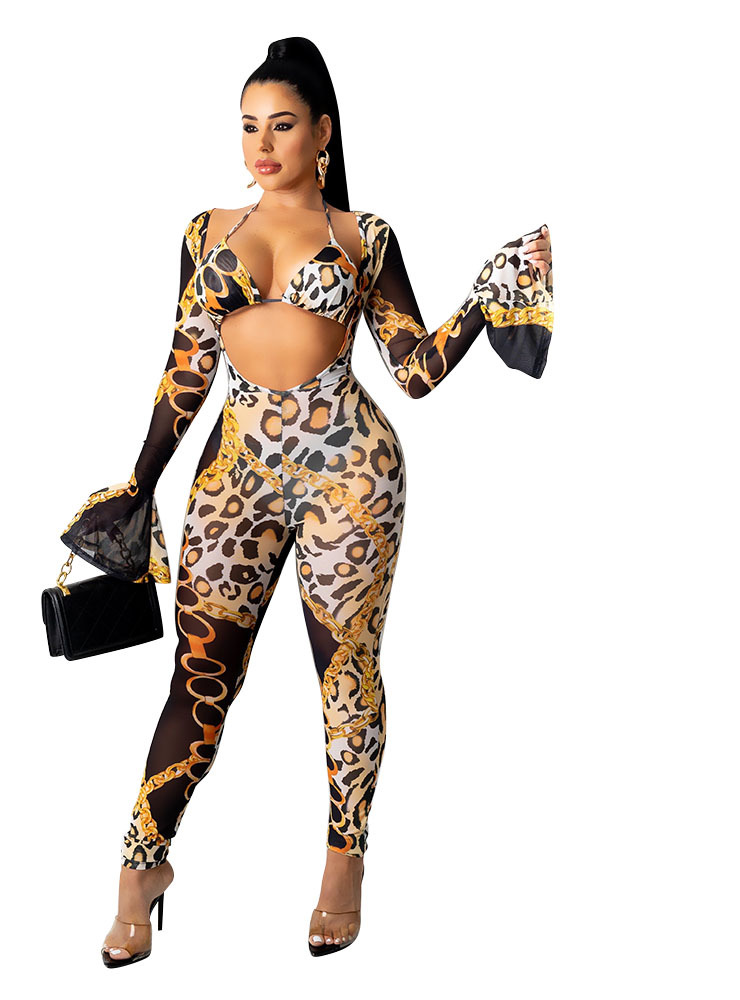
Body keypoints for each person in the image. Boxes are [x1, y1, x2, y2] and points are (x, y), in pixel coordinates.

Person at [60, 36, 553, 966]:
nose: (261, 144)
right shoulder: (204, 232)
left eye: (281, 125)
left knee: (344, 675)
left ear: (322, 132)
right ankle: (140, 868)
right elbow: (186, 368)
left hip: (351, 474)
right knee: (200, 680)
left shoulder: (366, 237)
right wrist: (137, 483)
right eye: (248, 126)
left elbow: (413, 371)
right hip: (234, 474)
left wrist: (489, 294)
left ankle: (342, 866)